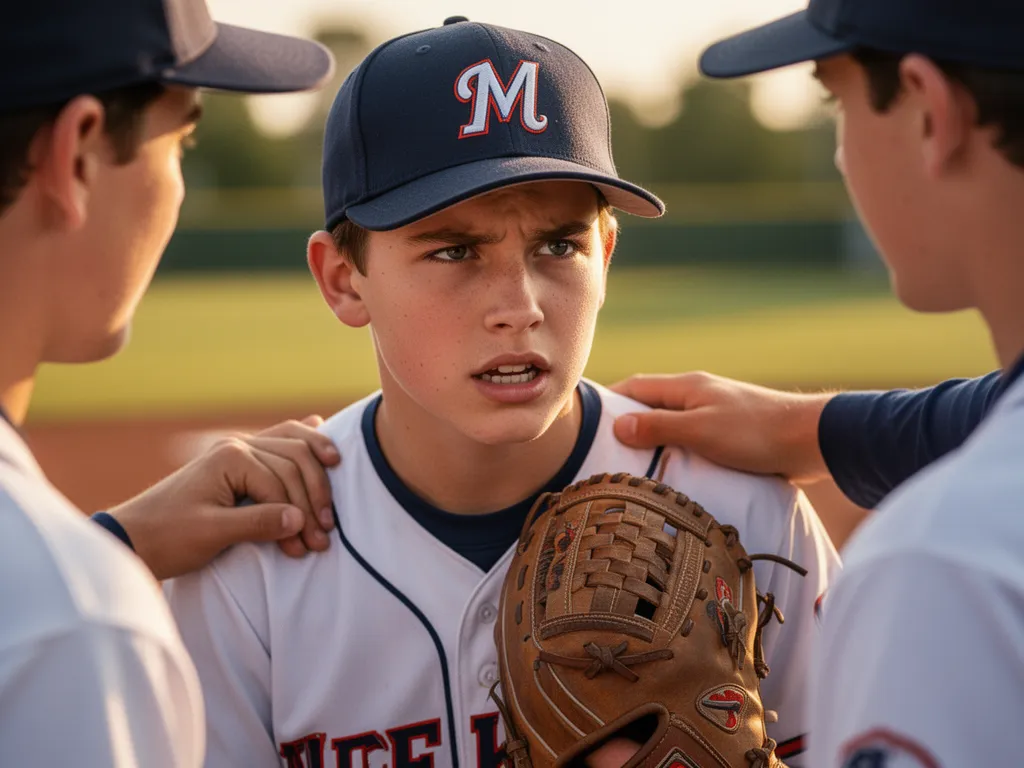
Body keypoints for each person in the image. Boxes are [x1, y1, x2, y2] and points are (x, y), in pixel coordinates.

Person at [164, 17, 840, 768]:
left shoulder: (744, 517)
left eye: (560, 245)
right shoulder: (250, 563)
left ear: (606, 255)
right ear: (342, 280)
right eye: (454, 250)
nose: (520, 305)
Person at [675, 0, 1024, 764]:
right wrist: (820, 430)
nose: (839, 153)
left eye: (837, 100)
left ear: (932, 111)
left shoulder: (942, 567)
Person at [0, 0, 337, 763]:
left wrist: (115, 543)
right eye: (179, 141)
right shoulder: (73, 626)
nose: (178, 183)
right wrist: (81, 582)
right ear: (77, 155)